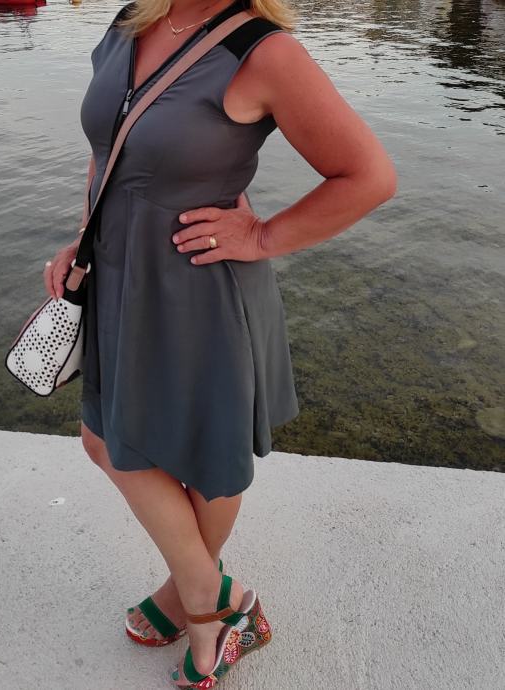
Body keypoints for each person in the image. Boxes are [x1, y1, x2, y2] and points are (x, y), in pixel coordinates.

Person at [43, 0, 397, 686]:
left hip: (200, 290)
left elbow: (370, 177)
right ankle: (215, 596)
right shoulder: (131, 21)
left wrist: (263, 236)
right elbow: (107, 152)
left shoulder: (265, 52)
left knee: (206, 459)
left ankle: (193, 603)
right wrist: (82, 238)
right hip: (120, 279)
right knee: (102, 438)